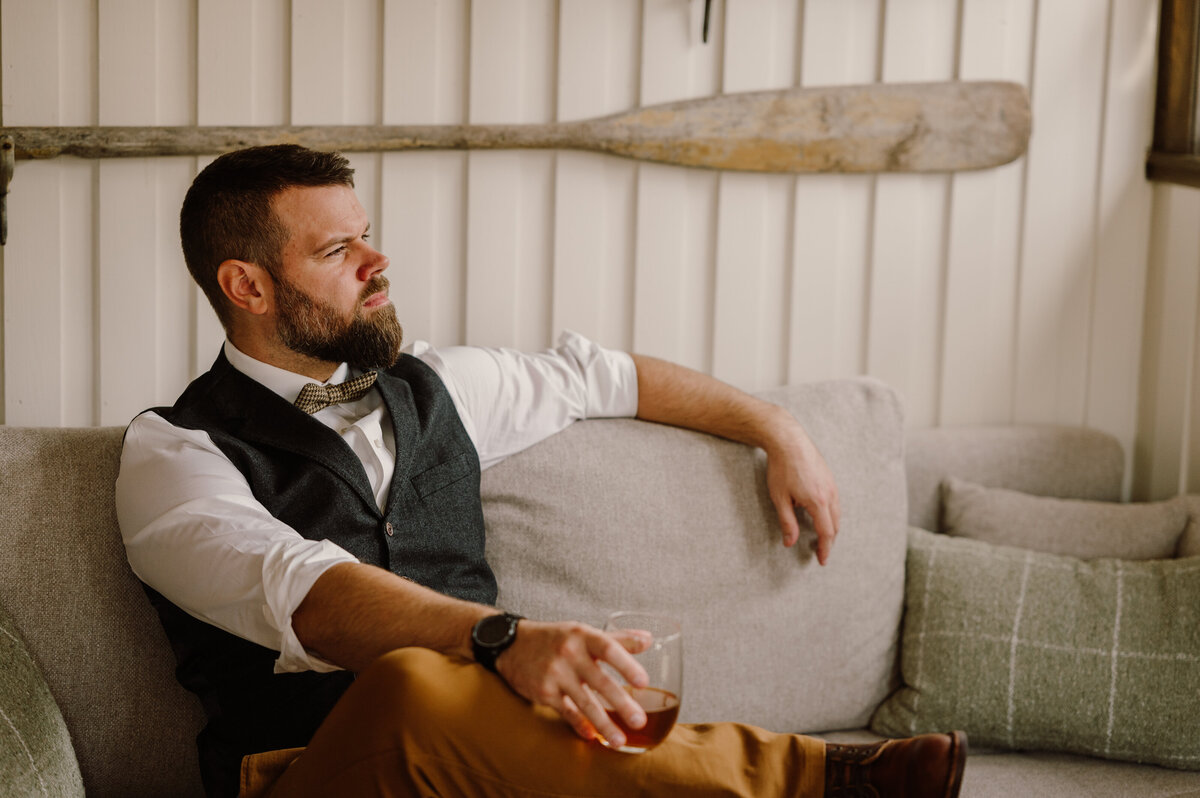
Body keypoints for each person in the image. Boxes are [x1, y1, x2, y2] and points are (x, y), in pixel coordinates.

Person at [115, 145, 966, 798]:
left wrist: (777, 426)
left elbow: (604, 377)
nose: (378, 265)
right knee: (410, 680)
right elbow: (312, 595)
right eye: (339, 251)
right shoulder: (173, 455)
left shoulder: (437, 385)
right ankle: (820, 779)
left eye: (368, 236)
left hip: (494, 771)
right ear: (247, 286)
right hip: (310, 773)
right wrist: (506, 639)